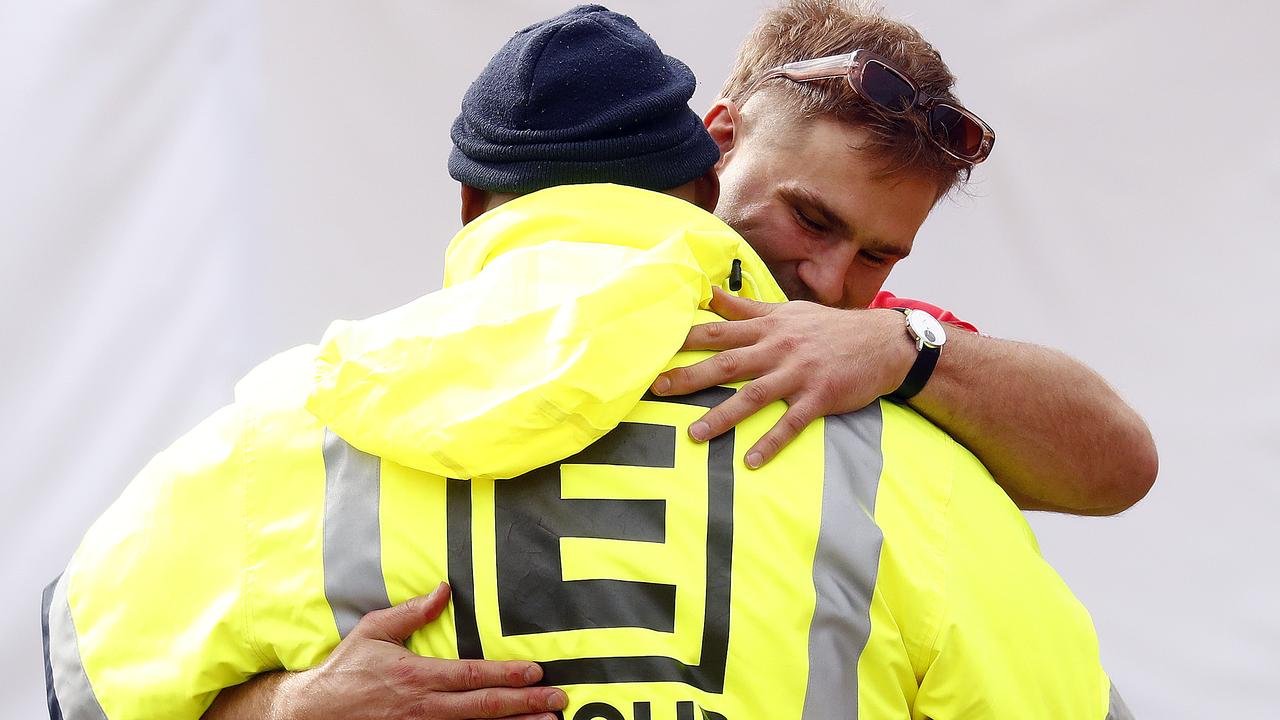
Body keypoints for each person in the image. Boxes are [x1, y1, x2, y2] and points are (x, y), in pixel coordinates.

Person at [44, 6, 1135, 719]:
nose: (829, 279)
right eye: (808, 217)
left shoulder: (322, 405)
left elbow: (87, 678)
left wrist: (904, 346)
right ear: (708, 162)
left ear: (474, 207)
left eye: (877, 258)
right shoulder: (899, 459)